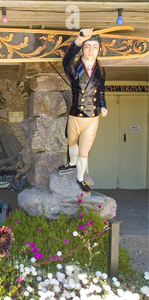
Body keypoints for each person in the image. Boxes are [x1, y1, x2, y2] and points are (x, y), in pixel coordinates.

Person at [58, 28, 107, 192]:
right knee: (72, 142)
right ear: (82, 50)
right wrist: (78, 41)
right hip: (76, 114)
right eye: (87, 46)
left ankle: (80, 178)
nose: (91, 50)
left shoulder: (100, 70)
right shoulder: (75, 70)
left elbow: (101, 90)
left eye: (94, 46)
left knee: (84, 150)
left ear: (99, 49)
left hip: (92, 116)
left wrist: (103, 105)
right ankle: (71, 163)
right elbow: (67, 61)